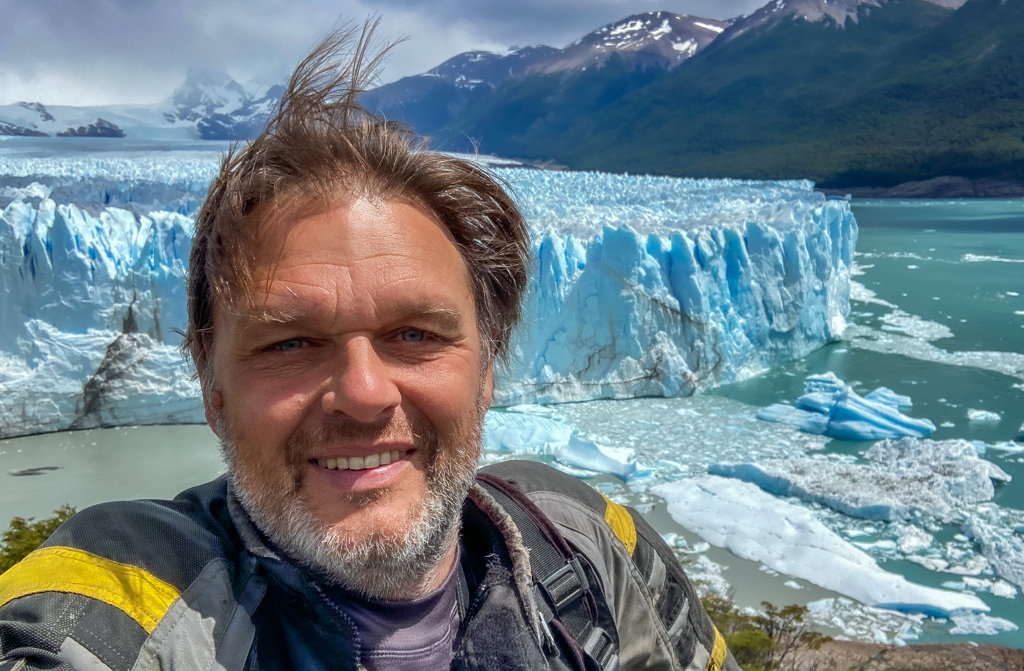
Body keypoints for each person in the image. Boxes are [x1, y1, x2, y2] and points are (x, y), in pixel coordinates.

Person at [0, 22, 737, 671]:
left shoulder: (589, 547)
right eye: (291, 342)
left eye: (414, 335)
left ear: (487, 369)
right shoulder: (122, 603)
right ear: (212, 387)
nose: (363, 390)